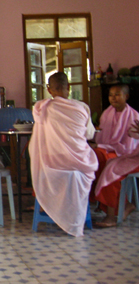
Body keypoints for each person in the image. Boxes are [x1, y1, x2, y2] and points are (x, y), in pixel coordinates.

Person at [29, 72, 98, 237]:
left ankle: (51, 208)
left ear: (49, 90)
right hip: (79, 163)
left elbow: (37, 140)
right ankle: (78, 216)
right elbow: (90, 135)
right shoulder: (82, 108)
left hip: (52, 164)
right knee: (94, 161)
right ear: (69, 88)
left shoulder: (41, 108)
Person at [90, 84, 139, 214]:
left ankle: (121, 204)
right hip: (106, 148)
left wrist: (104, 147)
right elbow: (102, 135)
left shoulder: (134, 115)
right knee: (93, 156)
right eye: (111, 95)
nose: (113, 98)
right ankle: (98, 200)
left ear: (126, 96)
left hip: (124, 152)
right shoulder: (107, 113)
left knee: (103, 161)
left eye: (117, 94)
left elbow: (130, 145)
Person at [94, 119, 139, 227]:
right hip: (132, 155)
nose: (114, 100)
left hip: (134, 158)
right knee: (108, 165)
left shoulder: (132, 113)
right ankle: (125, 204)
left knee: (112, 172)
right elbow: (132, 133)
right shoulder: (107, 114)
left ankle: (111, 215)